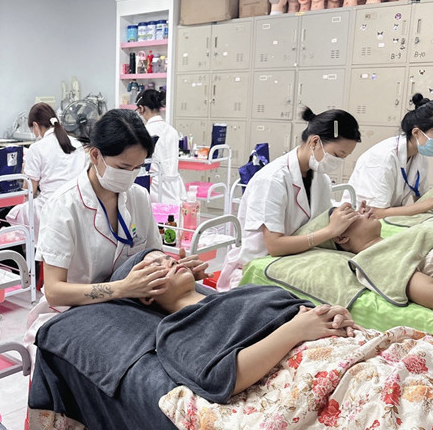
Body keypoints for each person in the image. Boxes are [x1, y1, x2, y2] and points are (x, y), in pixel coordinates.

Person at [126, 250, 356, 404]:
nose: (171, 262)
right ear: (146, 295)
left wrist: (333, 314)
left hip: (349, 346)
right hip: (319, 370)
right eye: (156, 265)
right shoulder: (174, 331)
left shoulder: (245, 291)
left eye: (169, 258)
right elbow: (221, 378)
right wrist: (295, 331)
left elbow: (305, 312)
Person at [38, 108, 206, 308]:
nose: (130, 175)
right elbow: (54, 292)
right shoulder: (63, 206)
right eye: (123, 168)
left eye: (137, 168)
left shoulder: (139, 197)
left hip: (129, 302)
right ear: (95, 155)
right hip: (75, 309)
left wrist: (179, 272)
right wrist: (122, 288)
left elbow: (153, 255)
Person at [218, 107, 362, 290]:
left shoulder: (320, 178)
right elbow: (275, 245)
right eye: (337, 155)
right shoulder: (272, 180)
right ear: (314, 141)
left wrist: (352, 216)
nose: (338, 162)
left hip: (296, 259)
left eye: (344, 157)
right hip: (262, 266)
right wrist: (330, 231)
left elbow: (320, 220)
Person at [348, 94, 433, 218]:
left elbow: (422, 200)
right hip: (360, 220)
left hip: (387, 218)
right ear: (416, 132)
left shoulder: (419, 156)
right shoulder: (383, 158)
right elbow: (375, 213)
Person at [5, 103, 85, 241]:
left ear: (35, 125)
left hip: (50, 206)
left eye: (32, 130)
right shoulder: (77, 144)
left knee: (13, 214)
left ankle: (31, 249)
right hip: (76, 205)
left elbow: (30, 190)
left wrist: (24, 174)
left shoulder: (37, 148)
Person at [135, 88, 186, 205]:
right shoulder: (172, 131)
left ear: (142, 108)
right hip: (175, 186)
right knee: (174, 214)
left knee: (157, 214)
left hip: (156, 186)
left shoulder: (145, 131)